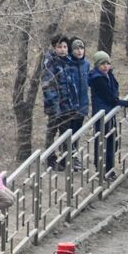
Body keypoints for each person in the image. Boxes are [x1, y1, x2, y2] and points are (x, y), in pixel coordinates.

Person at [88, 51, 128, 177]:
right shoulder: (97, 78)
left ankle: (109, 168)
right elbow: (108, 96)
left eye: (108, 63)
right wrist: (121, 102)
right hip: (102, 113)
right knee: (103, 141)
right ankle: (102, 169)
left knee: (112, 140)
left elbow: (113, 91)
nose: (106, 66)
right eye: (102, 64)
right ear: (97, 65)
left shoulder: (108, 75)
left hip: (109, 112)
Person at [41, 35, 79, 167]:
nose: (63, 50)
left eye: (65, 47)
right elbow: (48, 86)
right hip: (55, 106)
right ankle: (50, 159)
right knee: (52, 131)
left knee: (65, 132)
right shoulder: (49, 63)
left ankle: (64, 158)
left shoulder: (69, 61)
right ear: (54, 47)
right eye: (59, 47)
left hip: (68, 105)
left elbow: (72, 84)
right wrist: (55, 106)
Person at [67, 38, 92, 134]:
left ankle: (75, 149)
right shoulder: (67, 65)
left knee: (77, 133)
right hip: (70, 106)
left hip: (82, 105)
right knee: (68, 134)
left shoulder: (86, 64)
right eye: (76, 49)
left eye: (81, 48)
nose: (79, 51)